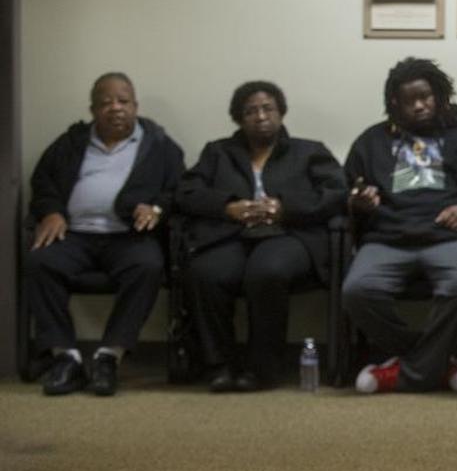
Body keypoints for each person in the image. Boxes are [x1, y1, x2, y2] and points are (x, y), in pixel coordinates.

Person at [343, 57, 457, 394]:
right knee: (357, 291)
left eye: (426, 97)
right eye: (409, 100)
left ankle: (406, 372)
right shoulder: (371, 142)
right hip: (388, 237)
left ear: (440, 95)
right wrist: (358, 200)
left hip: (453, 237)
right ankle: (437, 362)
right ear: (394, 103)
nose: (419, 106)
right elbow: (346, 189)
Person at [175, 81, 347, 392]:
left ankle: (263, 368)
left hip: (289, 236)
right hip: (231, 235)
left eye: (268, 108)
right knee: (206, 272)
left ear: (281, 113)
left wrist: (285, 207)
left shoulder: (309, 152)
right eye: (250, 111)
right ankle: (220, 365)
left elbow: (336, 193)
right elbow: (187, 192)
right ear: (239, 119)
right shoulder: (218, 153)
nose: (260, 116)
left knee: (267, 270)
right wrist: (228, 208)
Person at [23, 72, 184, 396]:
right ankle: (64, 357)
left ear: (135, 106)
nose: (115, 108)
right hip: (75, 233)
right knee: (40, 262)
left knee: (148, 266)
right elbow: (42, 183)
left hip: (128, 236)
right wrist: (52, 211)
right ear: (93, 109)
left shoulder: (161, 147)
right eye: (105, 102)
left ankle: (109, 356)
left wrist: (156, 208)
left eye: (123, 101)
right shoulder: (70, 142)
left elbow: (178, 190)